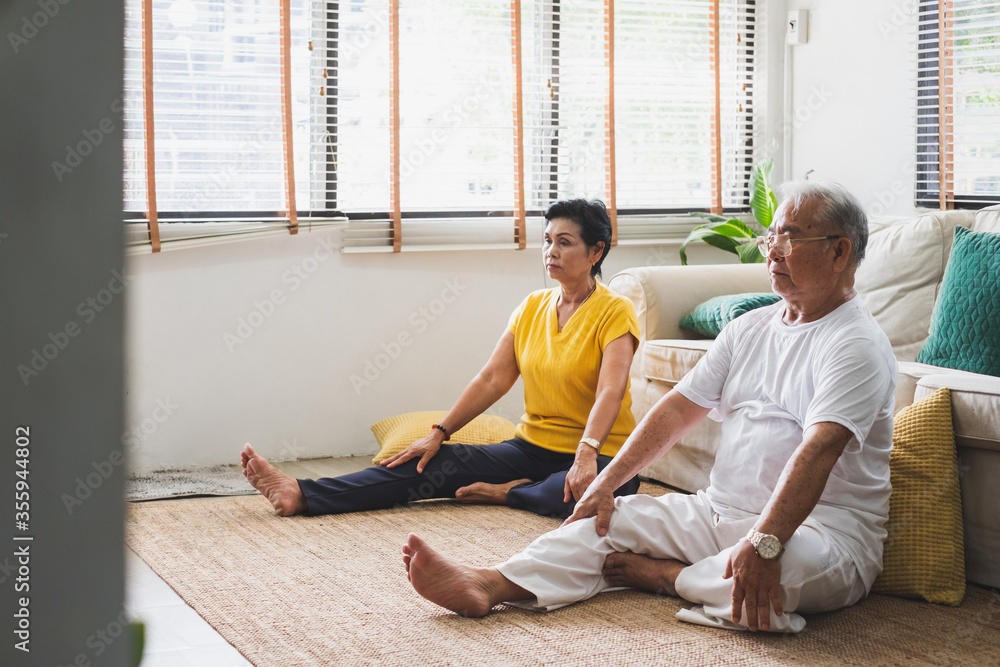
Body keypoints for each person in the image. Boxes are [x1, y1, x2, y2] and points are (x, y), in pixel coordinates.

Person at [402, 181, 898, 634]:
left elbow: (819, 449)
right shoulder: (750, 328)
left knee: (776, 579)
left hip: (821, 531)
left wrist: (765, 543)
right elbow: (676, 411)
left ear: (840, 252)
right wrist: (604, 484)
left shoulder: (855, 344)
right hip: (718, 513)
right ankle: (491, 583)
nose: (773, 253)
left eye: (790, 238)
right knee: (606, 519)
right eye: (771, 237)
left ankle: (669, 578)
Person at [241, 198, 642, 519]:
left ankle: (510, 494)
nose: (550, 251)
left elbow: (611, 389)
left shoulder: (615, 311)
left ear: (596, 251)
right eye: (547, 240)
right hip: (532, 448)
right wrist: (439, 432)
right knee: (430, 464)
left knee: (596, 491)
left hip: (603, 453)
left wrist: (587, 453)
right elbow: (491, 380)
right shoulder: (531, 307)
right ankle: (303, 494)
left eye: (565, 242)